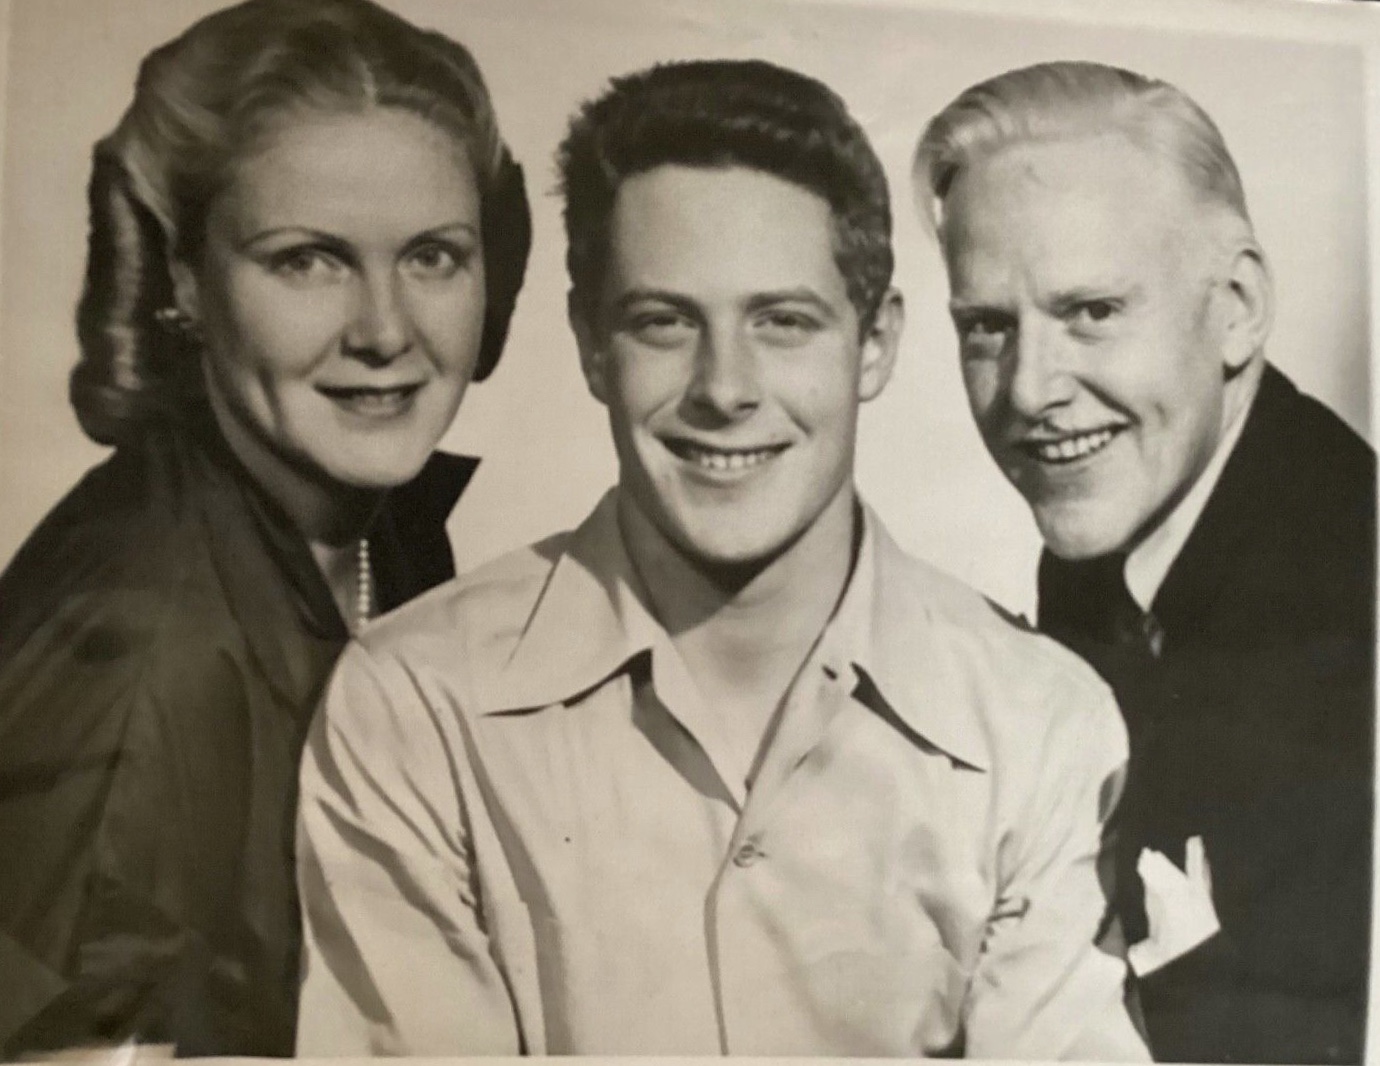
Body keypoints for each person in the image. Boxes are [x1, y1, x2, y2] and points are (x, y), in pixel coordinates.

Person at [296, 58, 1147, 1059]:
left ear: (874, 343)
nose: (725, 389)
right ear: (590, 345)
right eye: (664, 323)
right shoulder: (412, 708)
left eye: (784, 322)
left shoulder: (1041, 722)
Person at [0, 0, 530, 1055]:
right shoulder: (140, 652)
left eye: (432, 256)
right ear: (185, 278)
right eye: (307, 260)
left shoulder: (374, 530)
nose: (385, 331)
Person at [913, 61, 1373, 1064]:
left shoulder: (1350, 600)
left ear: (1240, 307)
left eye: (1092, 311)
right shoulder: (1119, 545)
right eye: (986, 327)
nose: (1030, 388)